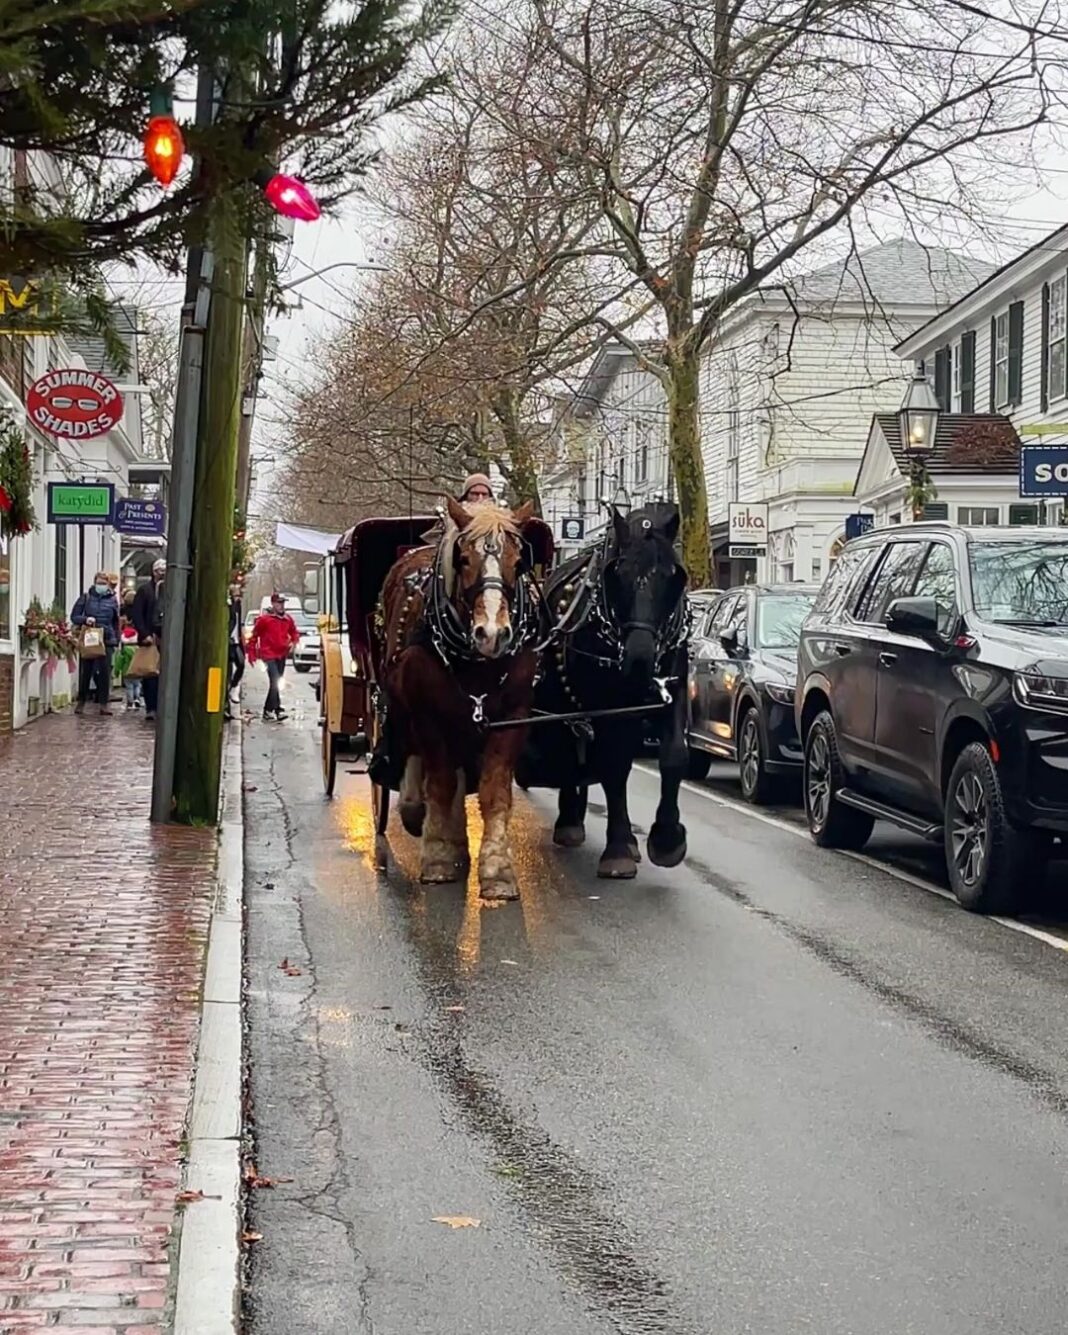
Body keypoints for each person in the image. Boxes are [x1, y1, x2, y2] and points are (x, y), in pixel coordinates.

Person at [70, 572, 120, 716]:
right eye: (99, 583)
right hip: (90, 637)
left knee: (105, 673)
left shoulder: (113, 600)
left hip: (107, 638)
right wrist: (86, 619)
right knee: (87, 671)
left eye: (104, 583)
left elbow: (115, 621)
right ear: (94, 583)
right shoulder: (86, 598)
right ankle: (81, 702)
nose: (102, 586)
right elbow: (74, 617)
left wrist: (116, 639)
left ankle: (104, 704)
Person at [247, 593, 299, 722]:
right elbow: (254, 636)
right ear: (273, 604)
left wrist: (294, 642)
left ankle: (270, 710)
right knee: (275, 680)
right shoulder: (265, 620)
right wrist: (252, 653)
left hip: (281, 655)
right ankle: (276, 710)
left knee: (276, 682)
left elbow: (294, 632)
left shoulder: (287, 619)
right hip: (268, 654)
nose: (281, 606)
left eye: (283, 603)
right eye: (279, 603)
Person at [131, 558, 165, 721]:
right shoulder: (145, 591)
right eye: (159, 571)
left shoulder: (170, 591)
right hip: (149, 638)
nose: (162, 575)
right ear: (154, 572)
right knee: (150, 673)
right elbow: (137, 614)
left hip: (165, 638)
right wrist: (145, 634)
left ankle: (163, 705)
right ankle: (151, 707)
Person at [226, 582, 245, 721]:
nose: (239, 598)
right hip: (229, 642)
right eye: (237, 595)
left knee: (241, 664)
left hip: (236, 641)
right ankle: (225, 705)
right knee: (225, 674)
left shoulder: (238, 606)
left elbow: (238, 623)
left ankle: (234, 686)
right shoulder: (228, 605)